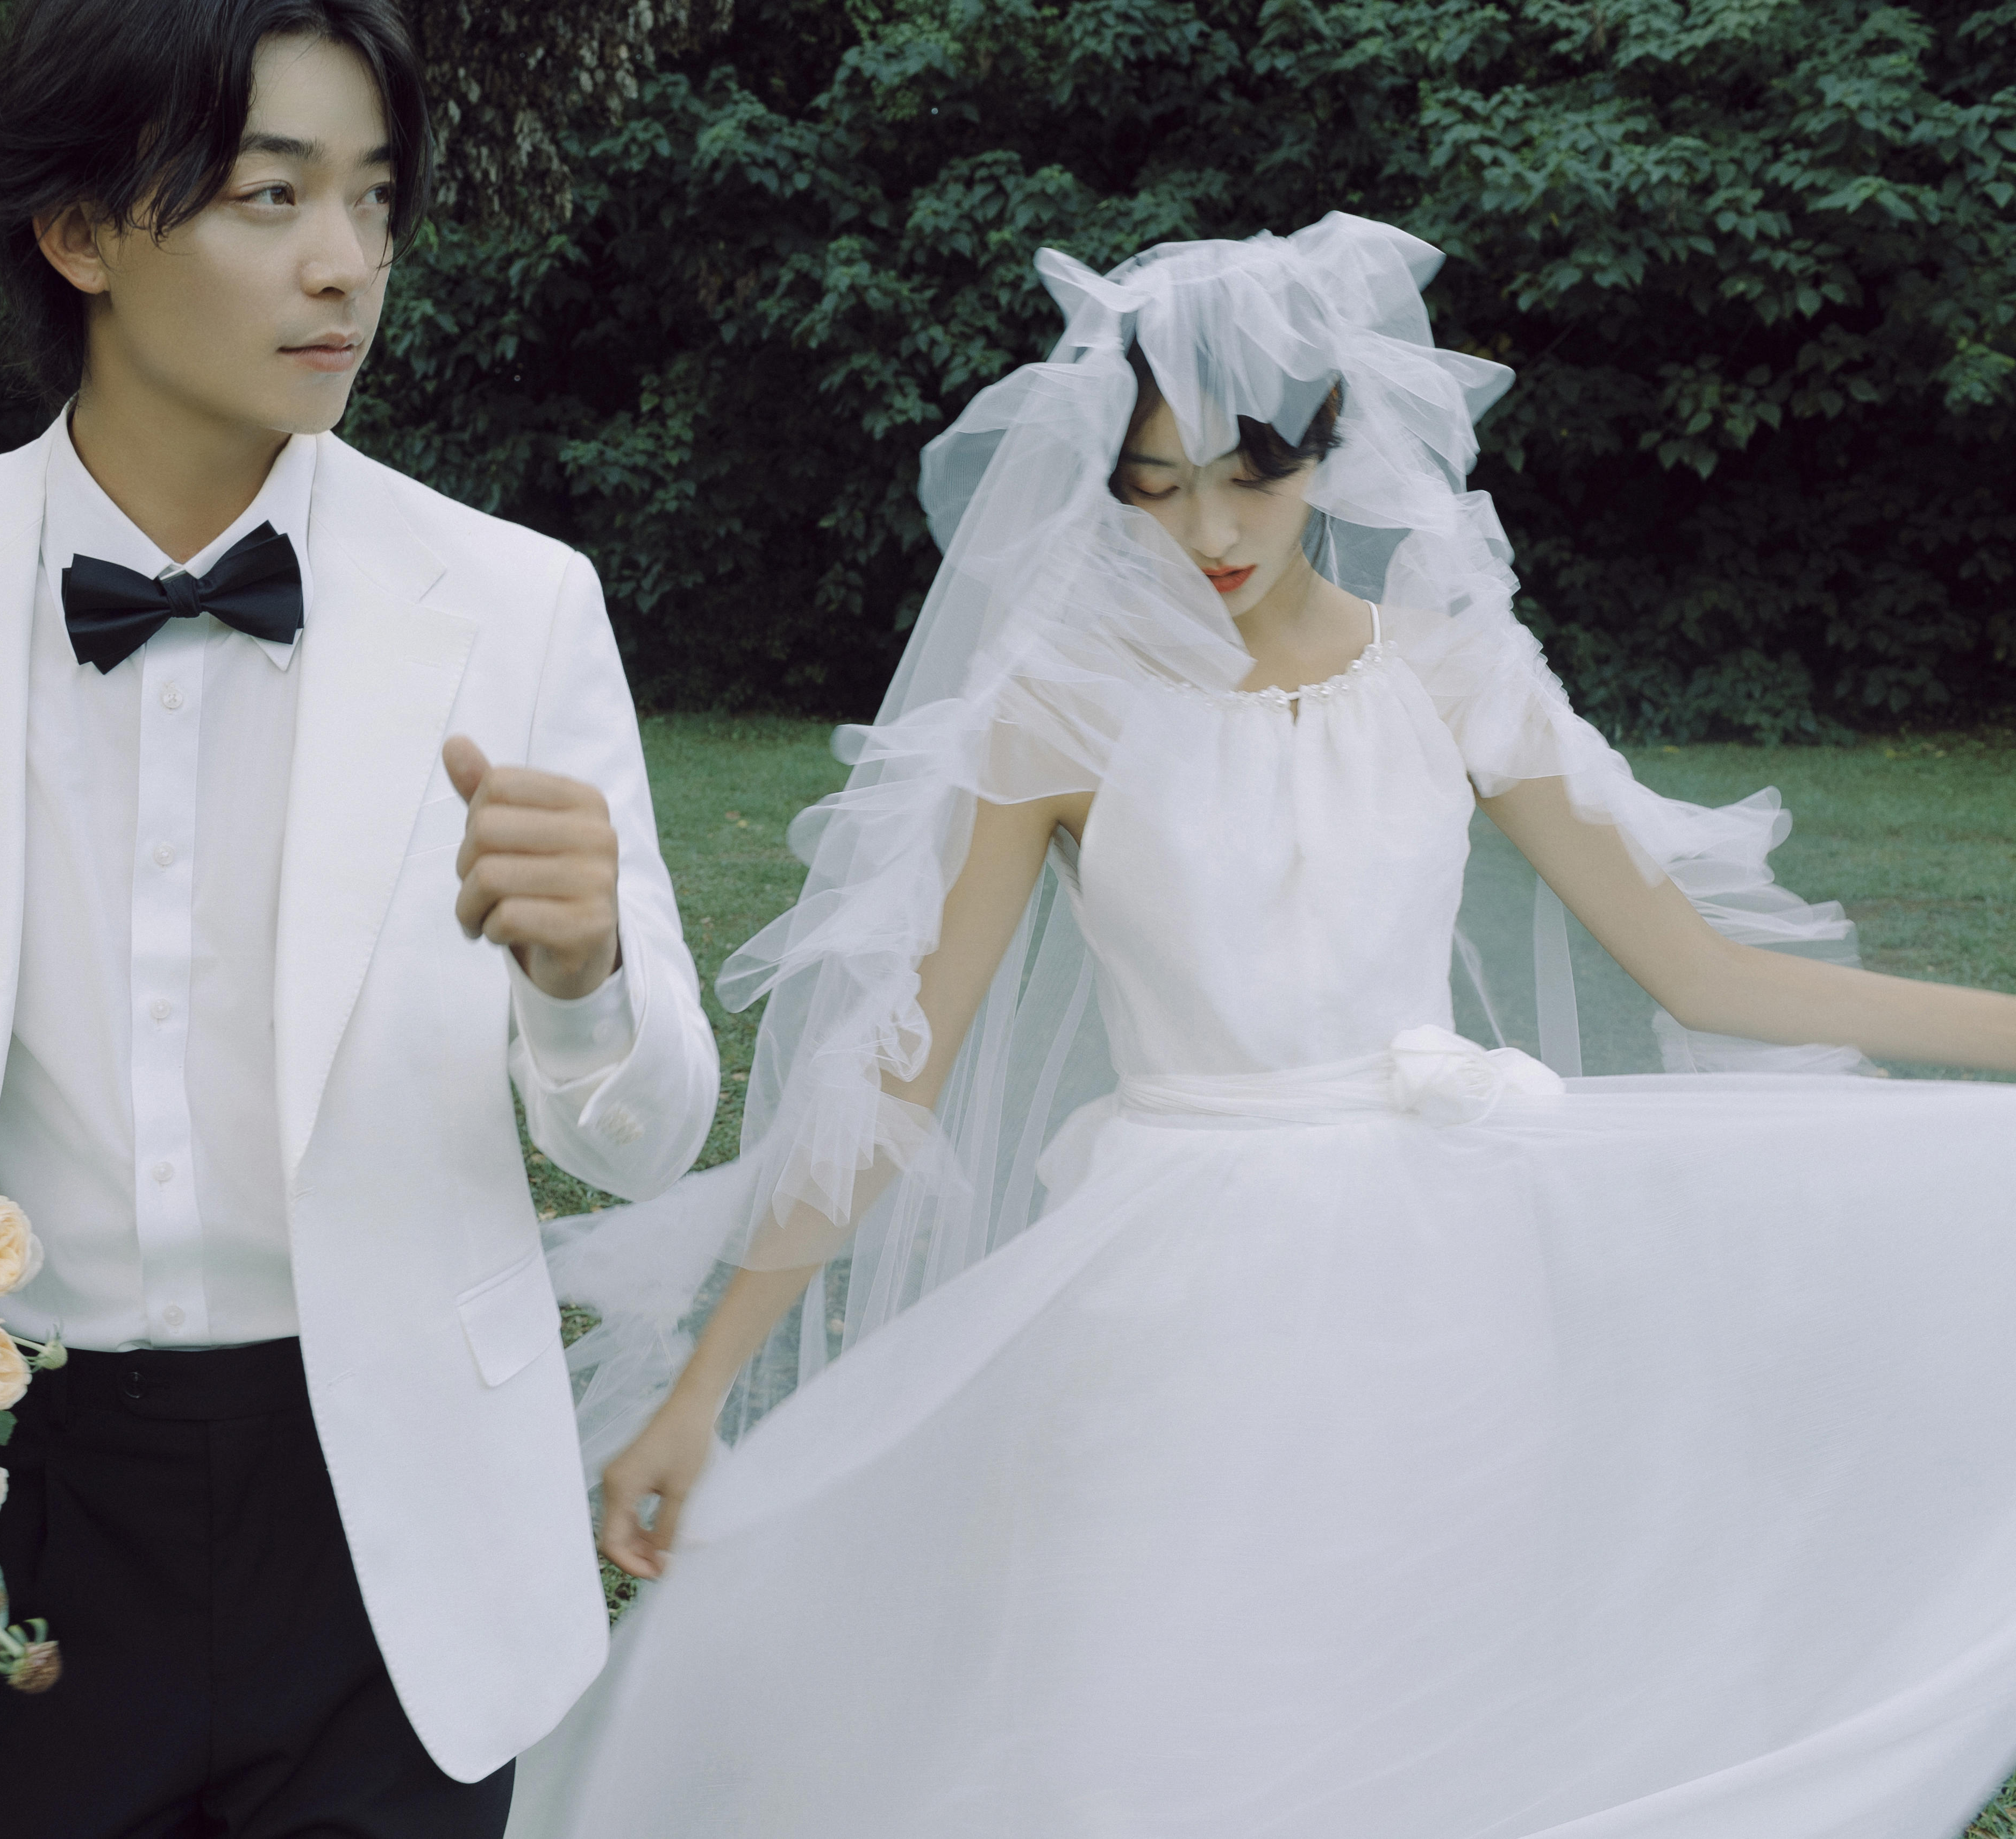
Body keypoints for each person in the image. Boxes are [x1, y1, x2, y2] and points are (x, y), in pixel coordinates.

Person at [508, 216, 2016, 1838]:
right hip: (1180, 1289)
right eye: (1156, 486)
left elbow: (1705, 974)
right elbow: (898, 1078)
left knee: (1428, 1724)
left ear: (1329, 452)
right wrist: (702, 1387)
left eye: (1252, 476)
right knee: (1165, 1730)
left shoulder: (1448, 670)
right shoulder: (1058, 707)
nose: (1212, 530)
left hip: (1452, 1282)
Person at [0, 2, 721, 1832]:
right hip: (16, 1484)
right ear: (82, 230)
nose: (346, 263)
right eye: (274, 195)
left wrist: (585, 981)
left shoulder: (516, 607)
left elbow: (643, 1144)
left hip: (396, 1499)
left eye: (375, 199)